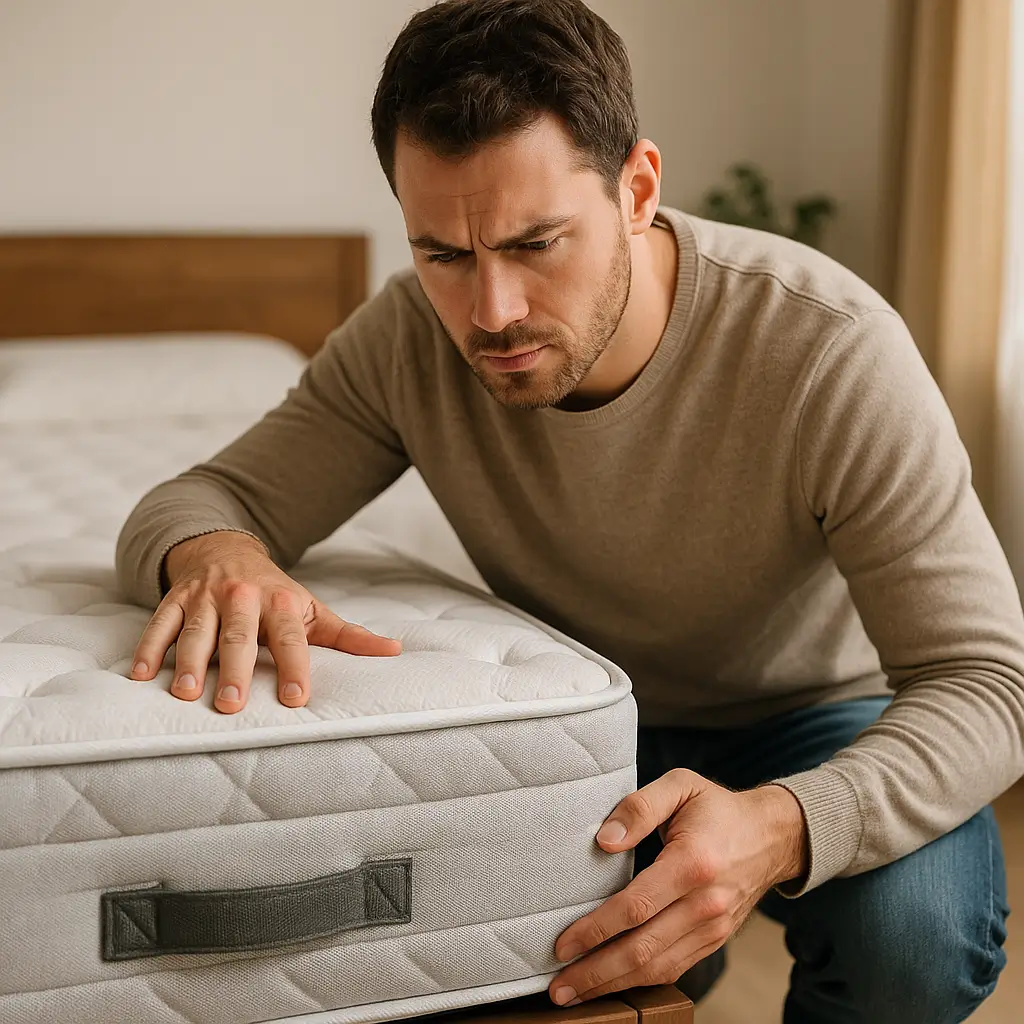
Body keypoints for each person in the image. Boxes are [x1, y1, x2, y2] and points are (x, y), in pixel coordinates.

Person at [116, 1, 1021, 1020]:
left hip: (816, 715)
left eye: (535, 243)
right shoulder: (409, 340)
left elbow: (987, 682)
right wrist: (218, 553)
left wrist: (786, 820)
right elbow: (202, 496)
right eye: (443, 255)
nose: (489, 311)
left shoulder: (826, 347)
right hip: (580, 718)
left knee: (915, 942)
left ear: (637, 190)